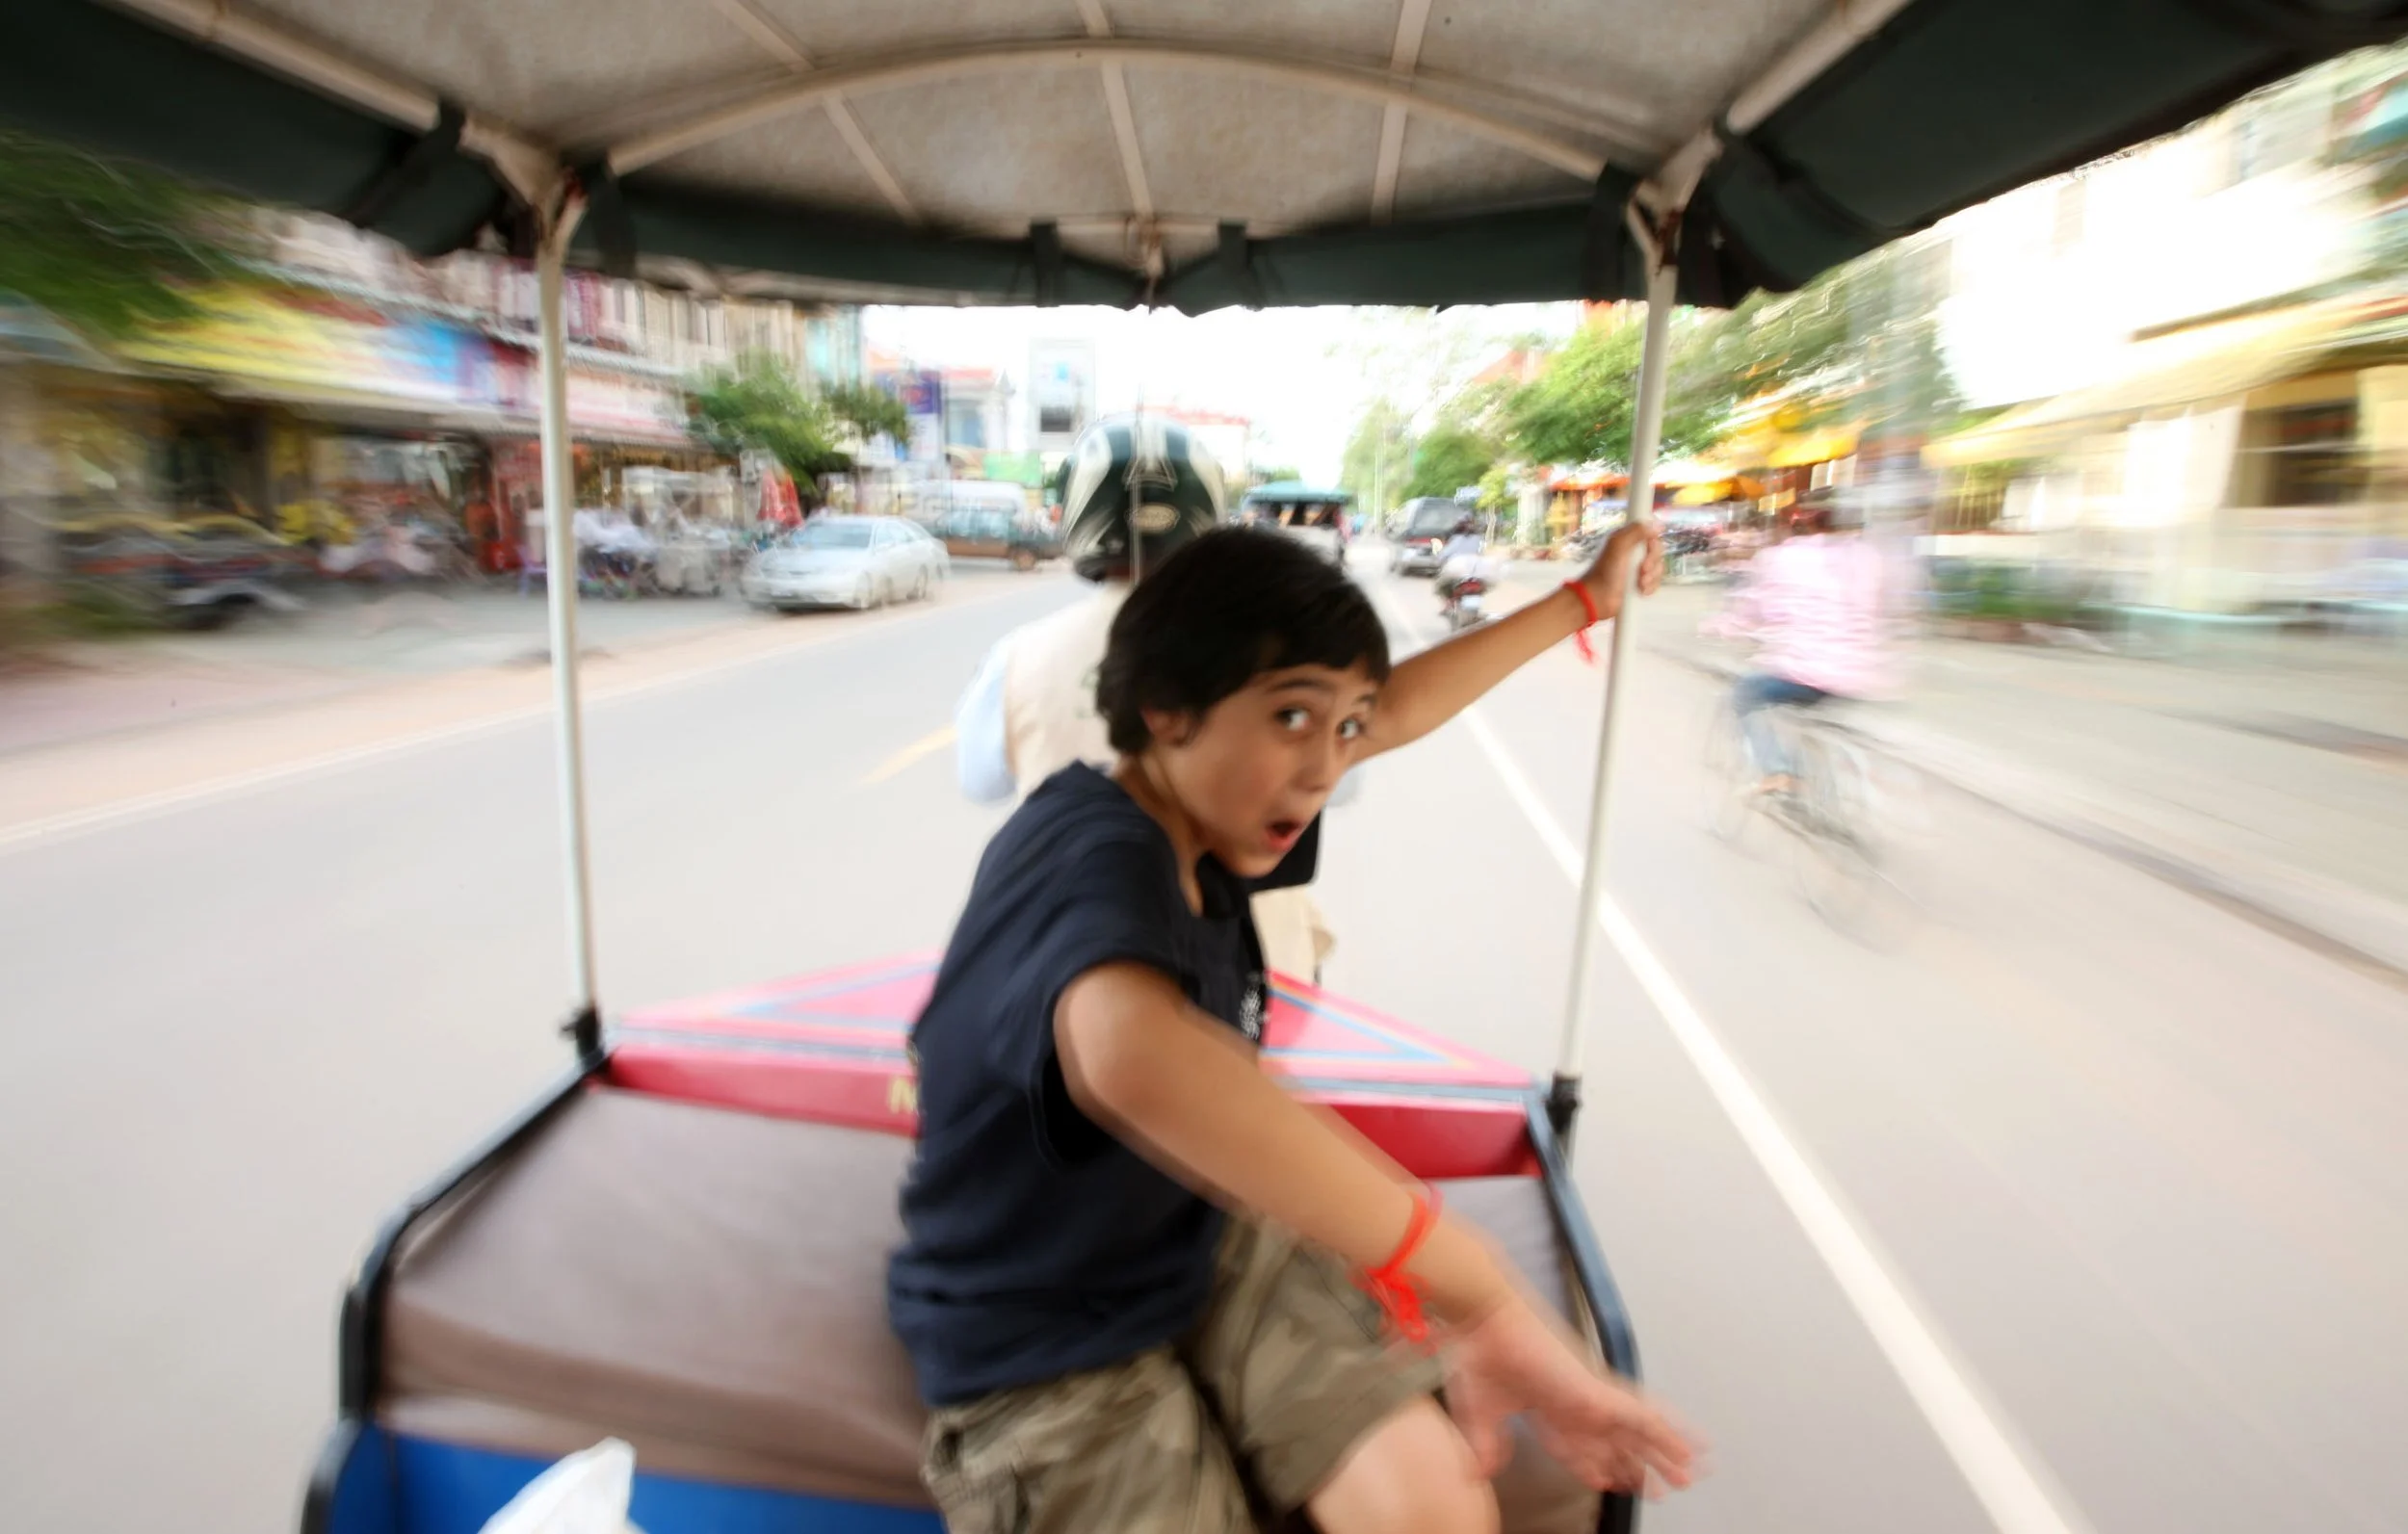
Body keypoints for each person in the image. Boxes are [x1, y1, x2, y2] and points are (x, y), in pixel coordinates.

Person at [892, 522, 1689, 1534]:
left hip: (1199, 1238)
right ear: (1164, 712)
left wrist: (1583, 600)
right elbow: (1128, 1056)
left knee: (1433, 1510)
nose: (1324, 770)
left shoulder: (1216, 818)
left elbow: (1393, 707)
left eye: (1342, 727)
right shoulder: (1087, 849)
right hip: (1040, 1334)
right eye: (1292, 717)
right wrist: (1477, 1290)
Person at [955, 413, 1340, 981]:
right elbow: (1341, 780)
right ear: (1209, 519)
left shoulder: (1020, 655)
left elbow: (979, 782)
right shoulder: (1284, 648)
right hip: (1253, 956)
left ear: (1080, 515)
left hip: (1076, 956)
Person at [1707, 495, 1896, 793]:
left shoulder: (1784, 557)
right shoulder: (1868, 558)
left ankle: (1778, 771)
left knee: (1745, 694)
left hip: (1801, 670)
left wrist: (1724, 626)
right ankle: (1812, 776)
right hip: (1859, 672)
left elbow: (1756, 608)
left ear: (1805, 521)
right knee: (1811, 714)